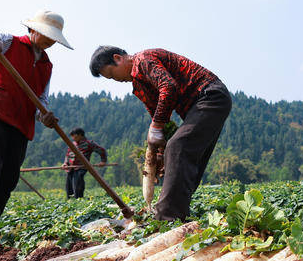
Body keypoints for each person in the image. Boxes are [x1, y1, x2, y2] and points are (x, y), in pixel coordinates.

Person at [0, 11, 72, 247]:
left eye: (54, 38)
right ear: (34, 30)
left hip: (20, 125)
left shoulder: (47, 65)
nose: (51, 41)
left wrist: (44, 116)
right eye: (47, 35)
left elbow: (41, 100)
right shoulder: (7, 42)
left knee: (8, 179)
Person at [89, 45, 231, 221]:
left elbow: (168, 87)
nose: (116, 80)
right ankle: (177, 212)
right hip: (200, 105)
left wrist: (156, 127)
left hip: (209, 96)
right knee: (185, 155)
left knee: (179, 146)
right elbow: (160, 119)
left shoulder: (143, 60)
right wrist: (160, 153)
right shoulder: (140, 86)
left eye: (112, 73)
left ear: (118, 58)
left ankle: (166, 216)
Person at [63, 127, 107, 199]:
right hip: (70, 168)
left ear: (81, 135)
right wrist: (65, 163)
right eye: (72, 137)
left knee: (77, 184)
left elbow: (101, 150)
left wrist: (103, 161)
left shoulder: (89, 144)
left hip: (81, 167)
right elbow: (68, 155)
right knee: (69, 187)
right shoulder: (72, 144)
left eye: (75, 136)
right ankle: (70, 201)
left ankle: (79, 199)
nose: (73, 138)